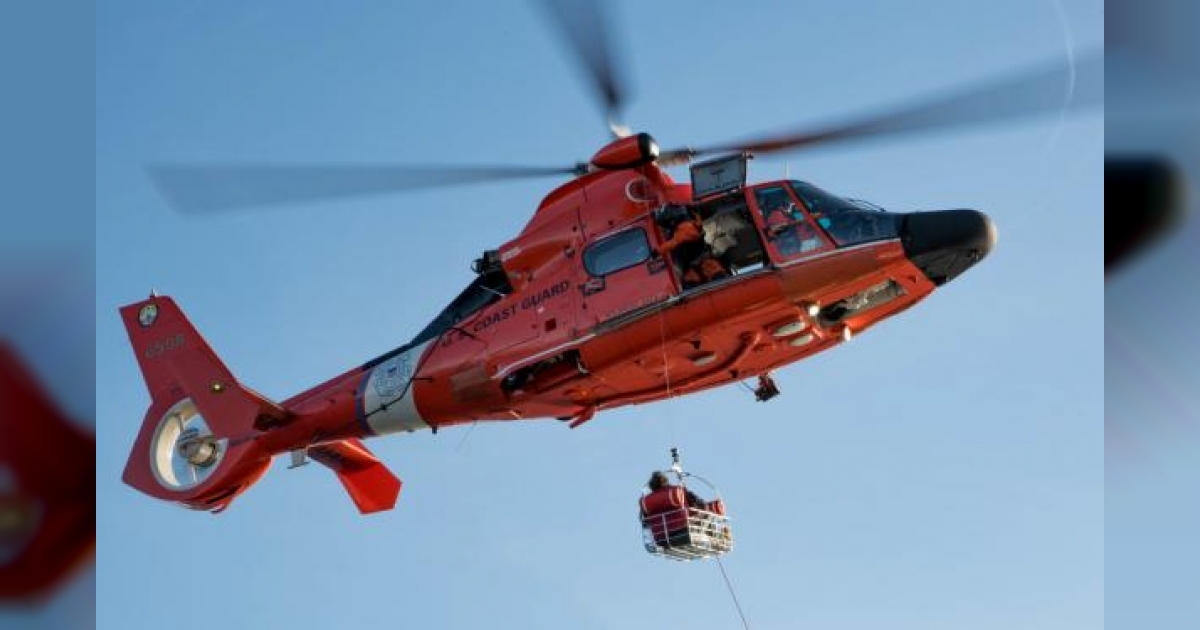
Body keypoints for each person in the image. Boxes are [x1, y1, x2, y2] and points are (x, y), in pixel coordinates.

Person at [656, 205, 729, 289]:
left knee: (712, 275)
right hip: (695, 260)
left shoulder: (684, 228)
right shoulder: (688, 223)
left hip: (697, 260)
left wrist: (657, 252)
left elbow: (674, 242)